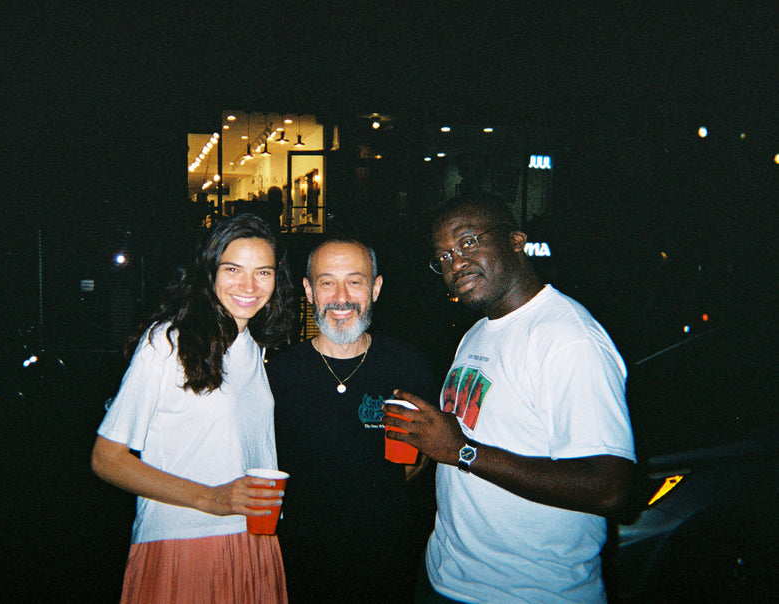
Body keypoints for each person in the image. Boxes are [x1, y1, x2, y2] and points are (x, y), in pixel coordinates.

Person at [385, 197, 635, 603]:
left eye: (468, 242)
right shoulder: (479, 331)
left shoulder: (567, 338)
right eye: (444, 256)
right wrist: (428, 449)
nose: (455, 263)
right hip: (446, 576)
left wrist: (463, 452)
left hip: (527, 592)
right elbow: (474, 437)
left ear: (517, 241)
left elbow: (609, 487)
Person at [91, 214, 296, 603]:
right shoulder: (167, 342)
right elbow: (107, 458)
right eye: (233, 269)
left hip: (254, 540)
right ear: (209, 272)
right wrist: (210, 498)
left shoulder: (255, 345)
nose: (249, 286)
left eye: (263, 272)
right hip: (185, 542)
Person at [267, 238, 437, 603]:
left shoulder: (408, 364)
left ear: (375, 288)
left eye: (355, 281)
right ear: (309, 291)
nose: (340, 297)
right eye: (327, 282)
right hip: (296, 564)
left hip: (387, 563)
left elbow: (427, 452)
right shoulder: (276, 375)